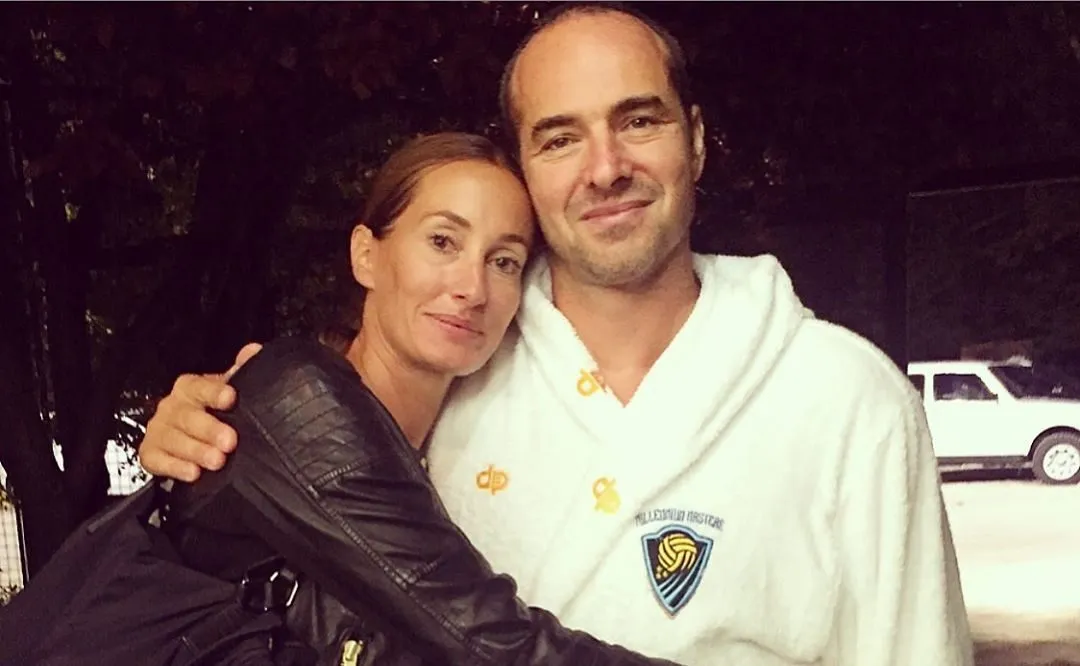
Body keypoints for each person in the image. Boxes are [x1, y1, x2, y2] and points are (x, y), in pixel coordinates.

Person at [140, 4, 975, 664]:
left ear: (696, 141)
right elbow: (298, 467)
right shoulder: (453, 367)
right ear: (527, 171)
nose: (605, 168)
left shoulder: (848, 400)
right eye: (561, 138)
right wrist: (195, 440)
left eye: (639, 121)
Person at [164, 131, 683, 665]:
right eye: (442, 242)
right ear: (366, 255)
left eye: (504, 262)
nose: (472, 289)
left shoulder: (452, 465)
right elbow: (493, 645)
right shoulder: (298, 398)